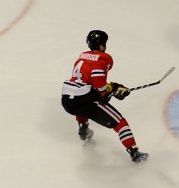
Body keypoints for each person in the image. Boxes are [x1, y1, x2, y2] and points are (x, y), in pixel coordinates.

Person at [60, 30, 149, 163]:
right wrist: (113, 88)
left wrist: (109, 91)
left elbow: (90, 84)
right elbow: (99, 83)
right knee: (120, 123)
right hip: (84, 100)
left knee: (83, 105)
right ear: (102, 44)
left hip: (67, 100)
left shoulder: (83, 55)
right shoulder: (103, 58)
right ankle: (135, 154)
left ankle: (83, 129)